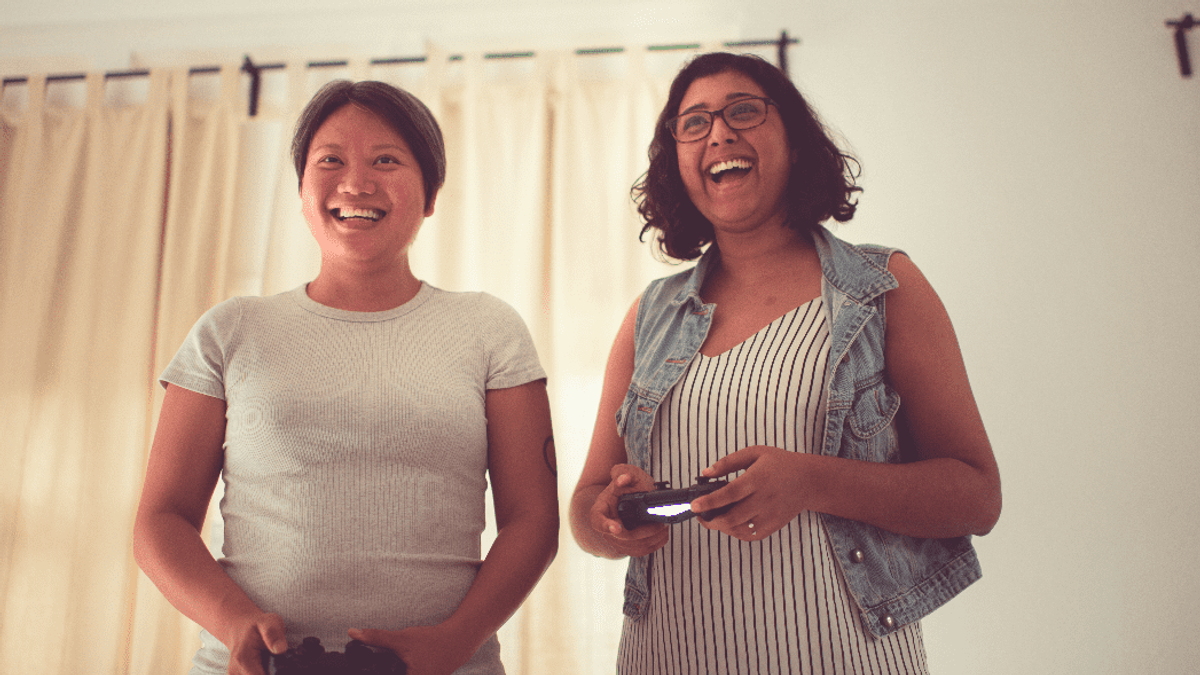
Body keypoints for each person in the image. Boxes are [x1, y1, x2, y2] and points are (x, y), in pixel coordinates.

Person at [570, 52, 1001, 674]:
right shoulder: (648, 316)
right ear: (680, 164)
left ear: (795, 143)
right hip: (666, 657)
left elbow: (976, 496)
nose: (718, 132)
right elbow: (587, 506)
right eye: (694, 123)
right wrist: (608, 519)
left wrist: (811, 480)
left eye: (743, 111)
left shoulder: (883, 287)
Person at [134, 80, 558, 675]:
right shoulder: (229, 331)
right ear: (303, 189)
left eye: (386, 160)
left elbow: (533, 520)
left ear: (431, 193)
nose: (355, 184)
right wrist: (233, 622)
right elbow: (161, 519)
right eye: (329, 160)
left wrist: (456, 641)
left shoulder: (489, 328)